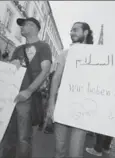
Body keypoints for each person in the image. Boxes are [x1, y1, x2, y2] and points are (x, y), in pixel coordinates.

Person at [1, 17, 52, 158]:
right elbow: (10, 72)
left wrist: (29, 91)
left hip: (27, 98)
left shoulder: (43, 46)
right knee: (9, 135)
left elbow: (45, 70)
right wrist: (11, 64)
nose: (21, 27)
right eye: (21, 25)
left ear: (34, 27)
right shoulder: (18, 49)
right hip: (12, 95)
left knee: (23, 137)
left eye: (25, 25)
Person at [45, 22, 94, 158]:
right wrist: (51, 103)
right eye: (71, 30)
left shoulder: (96, 55)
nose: (72, 32)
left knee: (75, 153)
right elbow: (56, 78)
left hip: (83, 109)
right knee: (59, 149)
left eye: (75, 30)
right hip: (63, 106)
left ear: (85, 33)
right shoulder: (65, 53)